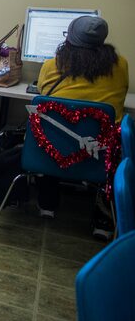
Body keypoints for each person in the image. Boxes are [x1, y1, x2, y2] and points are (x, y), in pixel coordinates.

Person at [35, 15, 128, 239]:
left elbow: (41, 93)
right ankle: (104, 220)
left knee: (49, 132)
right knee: (115, 140)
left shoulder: (52, 65)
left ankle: (47, 204)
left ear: (69, 39)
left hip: (55, 152)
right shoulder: (121, 65)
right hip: (101, 154)